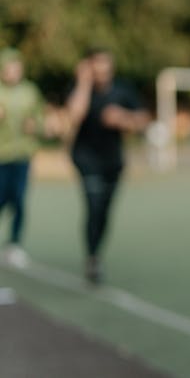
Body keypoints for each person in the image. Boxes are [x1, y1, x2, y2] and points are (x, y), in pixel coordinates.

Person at [66, 48, 150, 284]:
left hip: (113, 160)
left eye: (106, 66)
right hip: (86, 158)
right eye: (97, 67)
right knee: (93, 206)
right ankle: (92, 258)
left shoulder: (122, 89)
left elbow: (143, 120)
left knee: (104, 211)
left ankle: (96, 251)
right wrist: (83, 82)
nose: (102, 72)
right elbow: (73, 116)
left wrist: (123, 118)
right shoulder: (82, 89)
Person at [0, 48, 46, 269]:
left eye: (16, 67)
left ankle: (14, 244)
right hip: (1, 155)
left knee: (19, 199)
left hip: (23, 155)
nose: (12, 72)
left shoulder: (30, 91)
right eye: (8, 67)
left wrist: (35, 125)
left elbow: (39, 119)